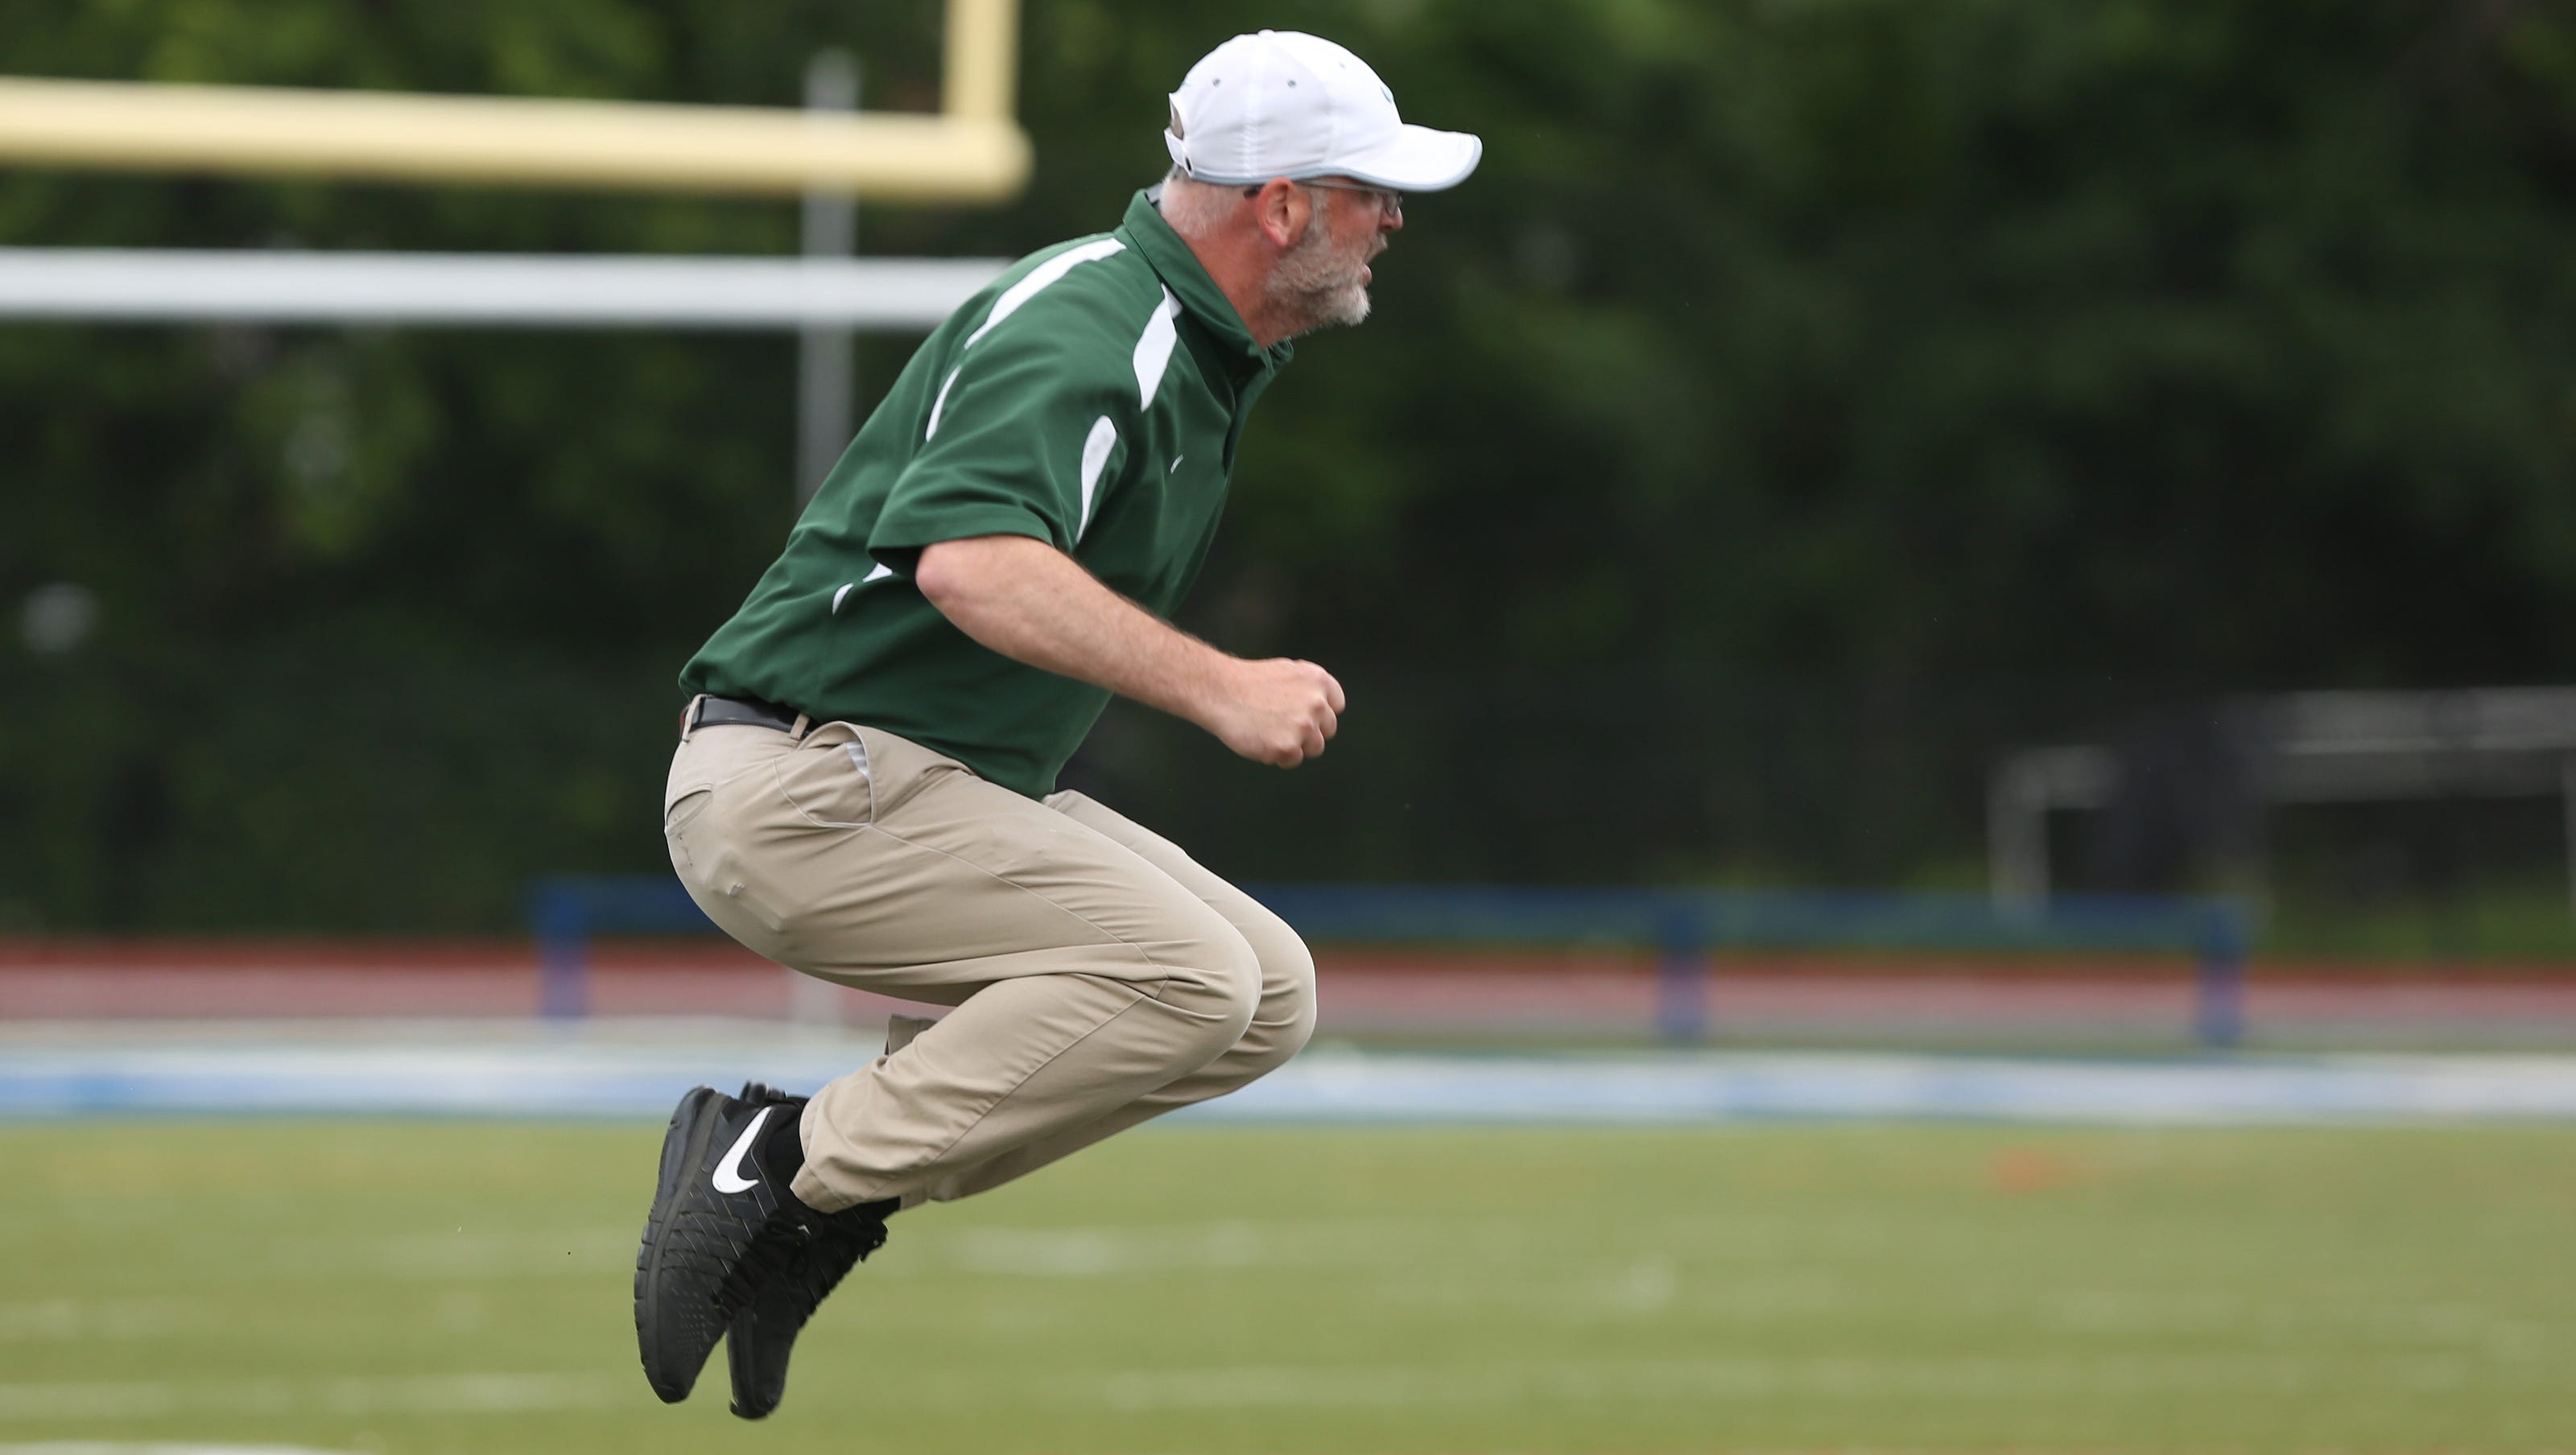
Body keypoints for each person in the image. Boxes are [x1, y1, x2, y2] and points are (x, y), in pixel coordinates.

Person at [631, 29, 1481, 1420]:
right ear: (1281, 207)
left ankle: (821, 1200)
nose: (1394, 218)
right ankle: (779, 1167)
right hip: (801, 786)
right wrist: (1223, 687)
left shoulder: (1189, 347)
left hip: (900, 781)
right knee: (1191, 979)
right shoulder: (1099, 322)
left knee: (1267, 995)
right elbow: (971, 563)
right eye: (1371, 188)